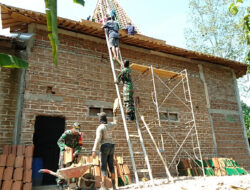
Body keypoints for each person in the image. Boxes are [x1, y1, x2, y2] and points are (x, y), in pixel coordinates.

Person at [92, 108, 118, 190]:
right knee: (111, 166)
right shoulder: (110, 125)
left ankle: (103, 186)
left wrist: (94, 150)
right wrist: (115, 114)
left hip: (104, 147)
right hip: (112, 146)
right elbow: (116, 122)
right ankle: (114, 186)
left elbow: (98, 139)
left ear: (100, 119)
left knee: (103, 166)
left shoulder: (100, 127)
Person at [57, 122, 83, 190]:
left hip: (73, 153)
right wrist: (64, 147)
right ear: (72, 128)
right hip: (65, 152)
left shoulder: (79, 135)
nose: (76, 132)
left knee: (73, 168)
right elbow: (59, 141)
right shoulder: (66, 133)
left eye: (78, 131)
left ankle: (73, 184)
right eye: (75, 131)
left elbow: (79, 145)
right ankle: (61, 183)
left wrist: (76, 152)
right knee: (62, 167)